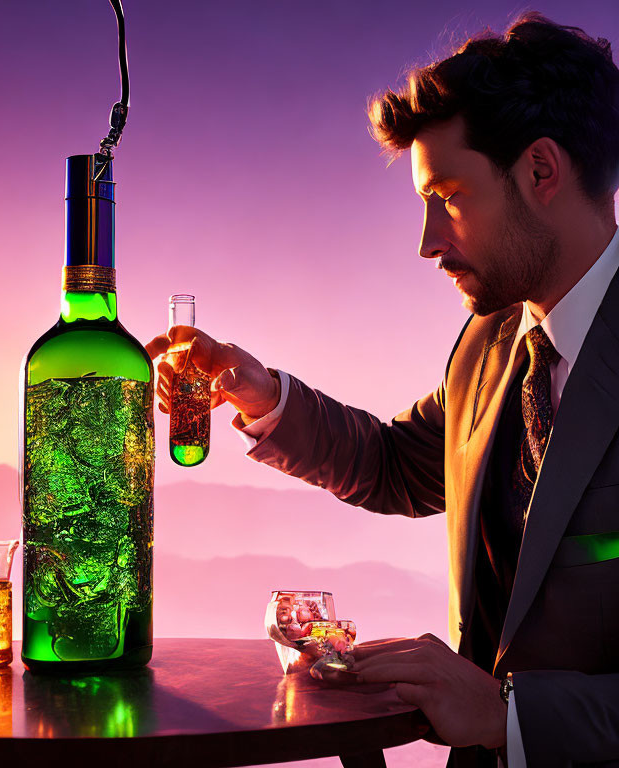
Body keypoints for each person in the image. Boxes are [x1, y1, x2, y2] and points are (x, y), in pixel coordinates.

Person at [146, 12, 619, 768]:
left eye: (449, 196)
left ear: (540, 172)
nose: (427, 241)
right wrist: (261, 393)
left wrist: (510, 716)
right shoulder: (493, 343)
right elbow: (399, 465)